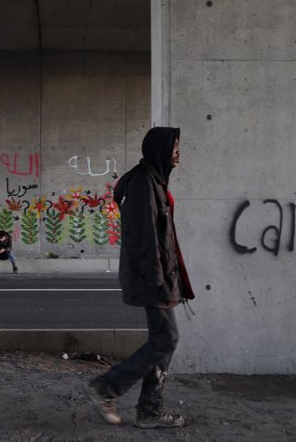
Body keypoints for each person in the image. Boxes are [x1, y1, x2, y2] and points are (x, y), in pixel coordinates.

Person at [87, 126, 195, 429]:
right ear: (158, 147)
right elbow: (144, 237)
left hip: (161, 276)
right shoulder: (143, 183)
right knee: (166, 338)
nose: (178, 152)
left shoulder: (155, 181)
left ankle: (149, 410)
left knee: (164, 341)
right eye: (174, 145)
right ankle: (107, 389)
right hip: (154, 278)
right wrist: (158, 280)